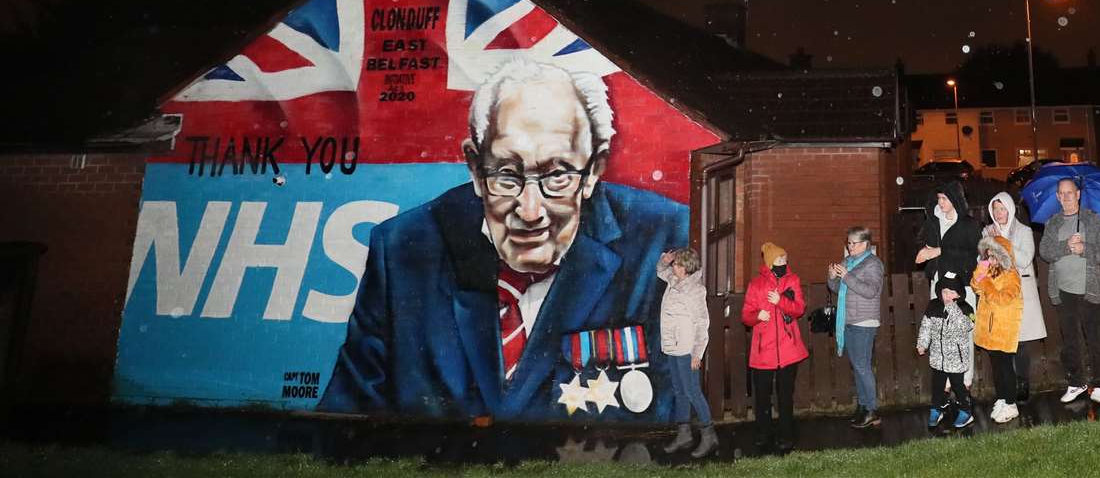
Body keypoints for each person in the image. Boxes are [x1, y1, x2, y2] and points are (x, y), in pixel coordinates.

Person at [321, 58, 689, 421]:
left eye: (557, 175)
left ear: (593, 170)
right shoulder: (403, 250)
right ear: (476, 169)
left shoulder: (662, 237)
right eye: (506, 175)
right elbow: (342, 431)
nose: (530, 211)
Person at [1036, 178, 1100, 405]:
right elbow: (1045, 252)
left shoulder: (1092, 219)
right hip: (1063, 289)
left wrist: (1083, 248)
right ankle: (1077, 382)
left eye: (1070, 193)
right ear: (1058, 196)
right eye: (1062, 193)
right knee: (1070, 340)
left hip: (1089, 289)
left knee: (1095, 338)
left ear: (1078, 194)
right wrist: (1066, 246)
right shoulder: (1053, 223)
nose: (1066, 197)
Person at [743, 242, 809, 453]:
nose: (784, 263)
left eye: (785, 259)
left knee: (785, 396)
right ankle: (763, 434)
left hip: (788, 349)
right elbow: (745, 315)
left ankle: (786, 435)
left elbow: (799, 309)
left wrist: (781, 301)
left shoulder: (793, 280)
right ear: (770, 262)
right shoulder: (756, 285)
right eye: (780, 259)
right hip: (764, 350)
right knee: (762, 396)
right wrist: (756, 316)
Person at [984, 192, 1048, 403]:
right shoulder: (987, 232)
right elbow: (982, 261)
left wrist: (1002, 245)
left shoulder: (1023, 231)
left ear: (1010, 209)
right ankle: (1006, 383)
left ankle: (1023, 381)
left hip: (1020, 293)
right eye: (996, 209)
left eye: (1002, 209)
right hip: (999, 293)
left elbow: (1025, 258)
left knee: (1020, 342)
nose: (999, 213)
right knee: (1003, 342)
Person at [656, 248, 717, 458]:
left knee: (692, 391)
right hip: (672, 346)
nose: (673, 267)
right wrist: (664, 261)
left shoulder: (695, 291)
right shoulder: (674, 280)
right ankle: (684, 434)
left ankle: (709, 435)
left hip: (686, 349)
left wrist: (697, 353)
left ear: (687, 267)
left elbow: (702, 324)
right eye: (674, 264)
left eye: (677, 264)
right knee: (679, 391)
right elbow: (659, 271)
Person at [828, 224, 885, 429]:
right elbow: (837, 289)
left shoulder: (873, 264)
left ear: (865, 244)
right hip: (849, 319)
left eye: (854, 243)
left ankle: (871, 410)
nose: (850, 247)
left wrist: (846, 276)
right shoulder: (849, 262)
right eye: (849, 243)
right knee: (858, 366)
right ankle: (863, 406)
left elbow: (870, 291)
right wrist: (832, 277)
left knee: (862, 366)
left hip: (864, 321)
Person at [972, 234, 1024, 423]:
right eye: (989, 256)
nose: (991, 260)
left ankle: (1011, 404)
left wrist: (986, 283)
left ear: (1003, 257)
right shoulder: (990, 271)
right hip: (990, 329)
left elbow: (1003, 298)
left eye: (994, 256)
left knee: (1005, 368)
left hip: (1003, 330)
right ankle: (1002, 398)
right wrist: (982, 269)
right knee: (996, 368)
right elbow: (975, 285)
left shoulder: (1011, 275)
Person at [916, 269, 976, 430]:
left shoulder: (965, 308)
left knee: (958, 386)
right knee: (937, 385)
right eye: (945, 292)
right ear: (939, 291)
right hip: (937, 357)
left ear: (959, 294)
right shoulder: (933, 306)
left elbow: (967, 326)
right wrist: (922, 343)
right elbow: (926, 326)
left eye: (952, 292)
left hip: (956, 358)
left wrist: (953, 309)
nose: (948, 296)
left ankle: (965, 410)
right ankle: (937, 408)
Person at [916, 181, 979, 301]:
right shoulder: (934, 222)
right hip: (939, 284)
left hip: (962, 285)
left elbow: (973, 253)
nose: (940, 202)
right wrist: (925, 252)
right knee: (938, 319)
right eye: (939, 198)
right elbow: (924, 243)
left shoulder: (969, 224)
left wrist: (941, 251)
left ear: (955, 198)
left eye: (944, 198)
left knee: (962, 319)